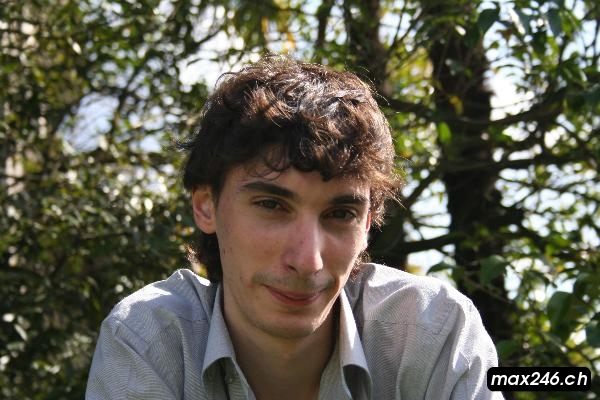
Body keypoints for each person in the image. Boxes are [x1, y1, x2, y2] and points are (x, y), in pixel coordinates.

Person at [86, 56, 502, 400]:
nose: (308, 260)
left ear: (368, 223)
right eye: (271, 205)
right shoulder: (149, 340)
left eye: (340, 214)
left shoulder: (433, 334)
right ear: (205, 205)